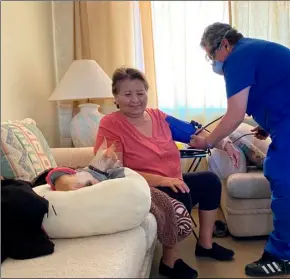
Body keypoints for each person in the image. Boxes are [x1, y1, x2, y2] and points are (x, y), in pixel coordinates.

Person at [190, 22, 290, 277]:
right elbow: (280, 90)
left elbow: (235, 114)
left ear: (224, 44)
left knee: (285, 179)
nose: (212, 61)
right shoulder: (253, 50)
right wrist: (268, 127)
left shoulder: (238, 58)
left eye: (211, 55)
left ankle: (282, 257)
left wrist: (208, 141)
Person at [93, 67, 239, 279]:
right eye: (127, 94)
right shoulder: (111, 124)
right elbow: (116, 170)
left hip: (171, 180)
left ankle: (205, 245)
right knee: (178, 191)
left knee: (210, 181)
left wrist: (225, 143)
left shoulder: (159, 117)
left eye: (140, 93)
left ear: (147, 93)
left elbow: (194, 133)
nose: (135, 100)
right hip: (142, 186)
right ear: (115, 97)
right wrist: (161, 179)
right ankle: (170, 260)